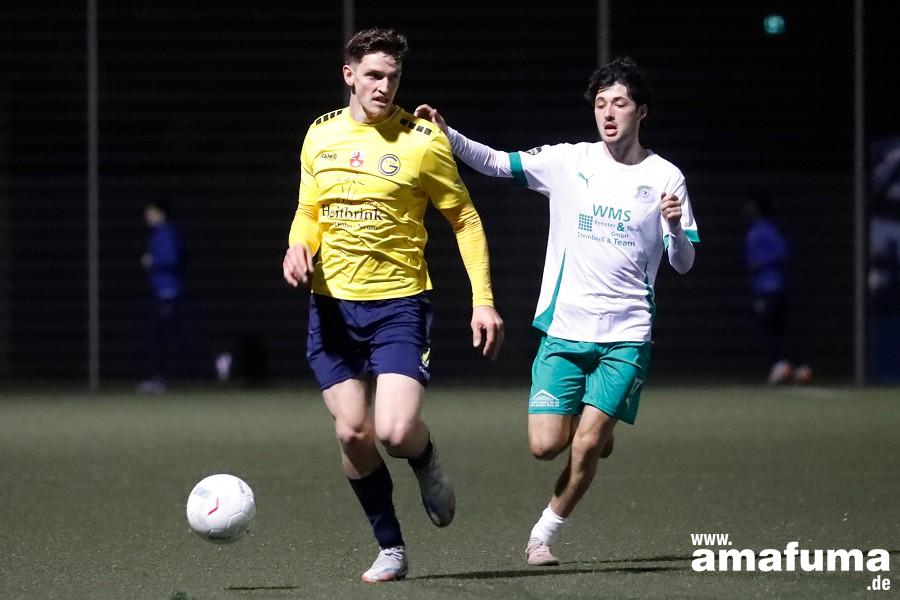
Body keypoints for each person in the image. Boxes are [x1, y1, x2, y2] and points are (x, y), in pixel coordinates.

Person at [415, 56, 698, 566]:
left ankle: (542, 535)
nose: (608, 112)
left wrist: (674, 228)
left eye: (619, 103)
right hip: (565, 329)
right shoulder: (569, 161)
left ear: (641, 112)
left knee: (585, 445)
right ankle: (600, 428)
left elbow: (683, 263)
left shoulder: (665, 176)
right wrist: (447, 133)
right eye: (601, 103)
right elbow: (498, 163)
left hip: (627, 335)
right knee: (546, 446)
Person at [281, 28, 504, 583]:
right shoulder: (319, 135)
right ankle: (391, 547)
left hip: (399, 305)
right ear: (349, 75)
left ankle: (426, 461)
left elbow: (465, 219)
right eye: (374, 75)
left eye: (393, 77)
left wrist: (483, 301)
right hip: (332, 307)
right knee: (352, 434)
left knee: (397, 431)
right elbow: (309, 210)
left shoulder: (422, 141)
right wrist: (298, 245)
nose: (384, 86)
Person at [138, 200, 183, 393]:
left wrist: (152, 261)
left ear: (160, 213)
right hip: (161, 291)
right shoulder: (160, 233)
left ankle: (161, 379)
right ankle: (159, 378)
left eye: (151, 212)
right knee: (158, 335)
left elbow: (172, 258)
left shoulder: (165, 233)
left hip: (167, 292)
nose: (147, 216)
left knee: (162, 336)